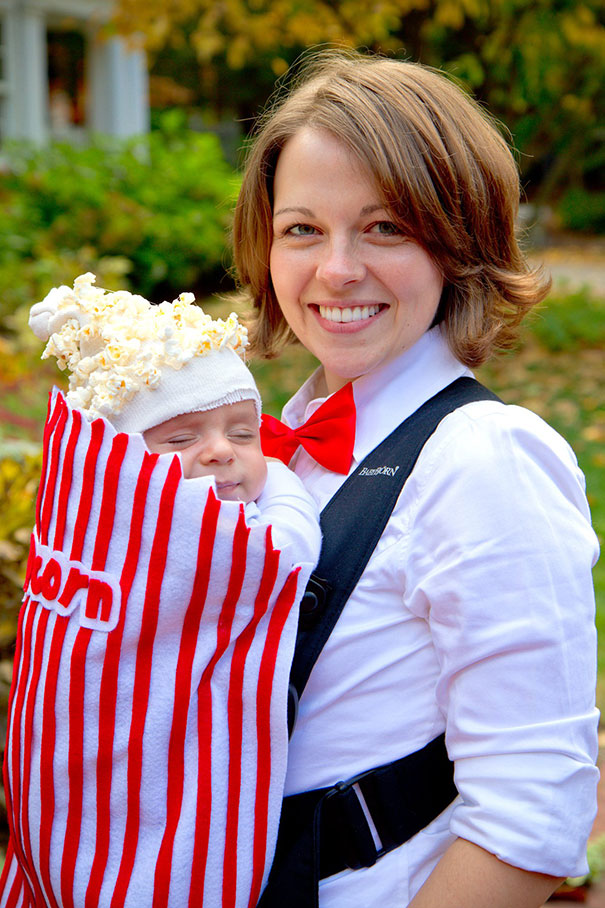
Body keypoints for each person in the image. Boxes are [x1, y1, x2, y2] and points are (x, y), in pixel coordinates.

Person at [232, 51, 600, 907]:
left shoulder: (483, 459)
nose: (336, 270)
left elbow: (528, 819)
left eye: (385, 227)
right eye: (302, 229)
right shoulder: (270, 447)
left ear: (457, 235)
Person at [0, 274, 321, 908]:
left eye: (243, 432)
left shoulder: (80, 515)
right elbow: (285, 554)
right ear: (123, 460)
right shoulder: (189, 534)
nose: (219, 453)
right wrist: (282, 476)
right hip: (140, 808)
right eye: (180, 437)